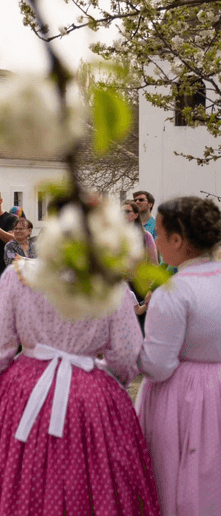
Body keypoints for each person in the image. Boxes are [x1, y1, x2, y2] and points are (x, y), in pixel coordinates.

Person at [0, 259, 160, 515]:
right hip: (89, 398)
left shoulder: (19, 275)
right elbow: (126, 356)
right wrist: (109, 393)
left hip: (22, 393)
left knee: (17, 481)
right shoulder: (110, 280)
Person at [136, 196, 221, 516]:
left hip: (183, 398)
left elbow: (158, 366)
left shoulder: (173, 290)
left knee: (176, 478)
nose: (155, 240)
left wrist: (134, 352)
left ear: (177, 240)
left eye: (158, 233)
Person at [122, 200, 159, 264]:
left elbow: (154, 264)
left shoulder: (146, 236)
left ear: (136, 215)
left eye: (127, 211)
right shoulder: (114, 236)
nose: (123, 214)